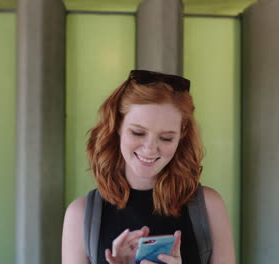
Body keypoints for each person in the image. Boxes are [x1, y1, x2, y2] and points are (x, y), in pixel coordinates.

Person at [62, 70, 235, 264]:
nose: (150, 149)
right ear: (117, 125)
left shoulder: (210, 207)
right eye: (138, 132)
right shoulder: (80, 215)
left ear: (182, 134)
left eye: (166, 138)